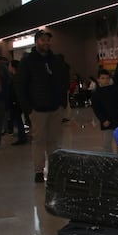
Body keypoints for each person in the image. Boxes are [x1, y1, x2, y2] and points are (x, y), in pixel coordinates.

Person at [17, 29, 70, 183]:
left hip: (55, 107)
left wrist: (62, 103)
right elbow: (20, 85)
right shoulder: (27, 61)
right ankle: (39, 171)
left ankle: (54, 169)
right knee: (39, 141)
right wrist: (28, 108)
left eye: (48, 40)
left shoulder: (56, 60)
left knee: (53, 141)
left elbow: (63, 80)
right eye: (42, 40)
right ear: (36, 42)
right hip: (37, 109)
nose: (46, 43)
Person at [91, 69, 118, 152]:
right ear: (98, 79)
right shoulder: (96, 94)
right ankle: (109, 160)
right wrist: (103, 119)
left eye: (107, 78)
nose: (105, 80)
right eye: (103, 78)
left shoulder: (116, 90)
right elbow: (97, 109)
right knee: (107, 143)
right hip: (107, 122)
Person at [8, 60, 28, 145]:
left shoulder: (15, 78)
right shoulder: (21, 76)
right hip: (21, 102)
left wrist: (14, 101)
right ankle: (24, 135)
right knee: (22, 120)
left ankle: (22, 137)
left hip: (17, 103)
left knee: (19, 120)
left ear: (13, 67)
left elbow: (15, 92)